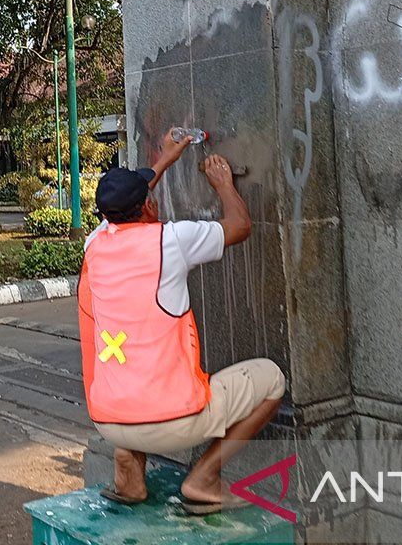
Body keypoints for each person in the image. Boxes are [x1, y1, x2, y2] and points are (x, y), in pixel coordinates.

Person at [78, 129, 285, 515]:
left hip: (108, 421)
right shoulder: (170, 241)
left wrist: (163, 161)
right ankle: (204, 477)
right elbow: (239, 226)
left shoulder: (95, 244)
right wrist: (223, 183)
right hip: (174, 422)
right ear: (149, 206)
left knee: (131, 367)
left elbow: (127, 206)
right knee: (271, 379)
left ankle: (128, 473)